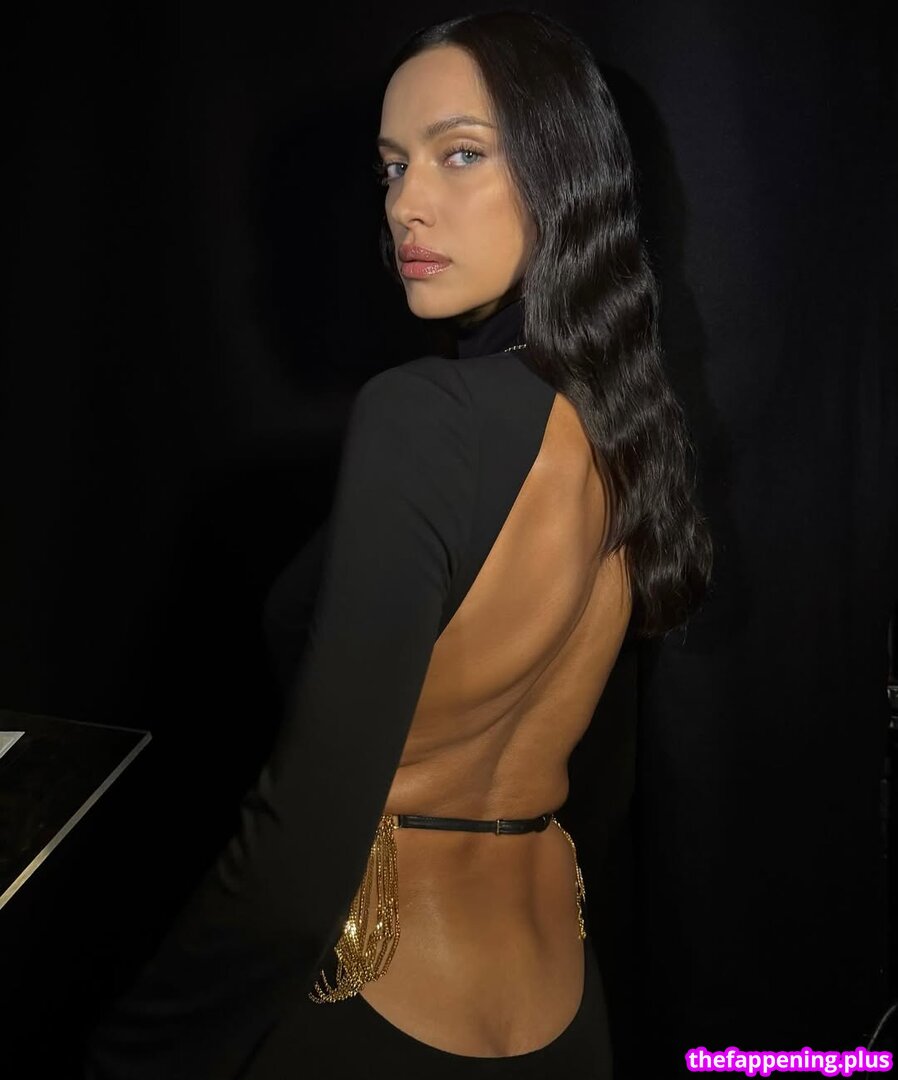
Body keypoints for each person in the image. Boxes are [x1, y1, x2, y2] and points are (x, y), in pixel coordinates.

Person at [82, 10, 712, 1079]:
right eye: (391, 167)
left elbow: (301, 844)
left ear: (560, 174)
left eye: (459, 154)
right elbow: (597, 780)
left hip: (383, 999)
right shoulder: (625, 428)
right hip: (565, 1008)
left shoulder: (427, 418)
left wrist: (134, 1053)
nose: (405, 203)